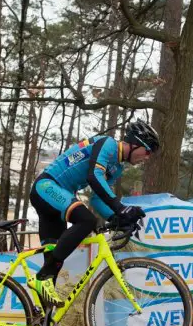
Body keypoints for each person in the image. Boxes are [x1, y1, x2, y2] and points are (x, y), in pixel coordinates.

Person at [28, 120, 160, 307]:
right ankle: (42, 277)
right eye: (147, 151)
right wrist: (120, 208)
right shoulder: (107, 144)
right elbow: (94, 176)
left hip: (58, 197)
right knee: (87, 221)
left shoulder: (117, 167)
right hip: (47, 186)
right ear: (135, 143)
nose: (147, 157)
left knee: (53, 266)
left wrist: (117, 217)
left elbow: (97, 198)